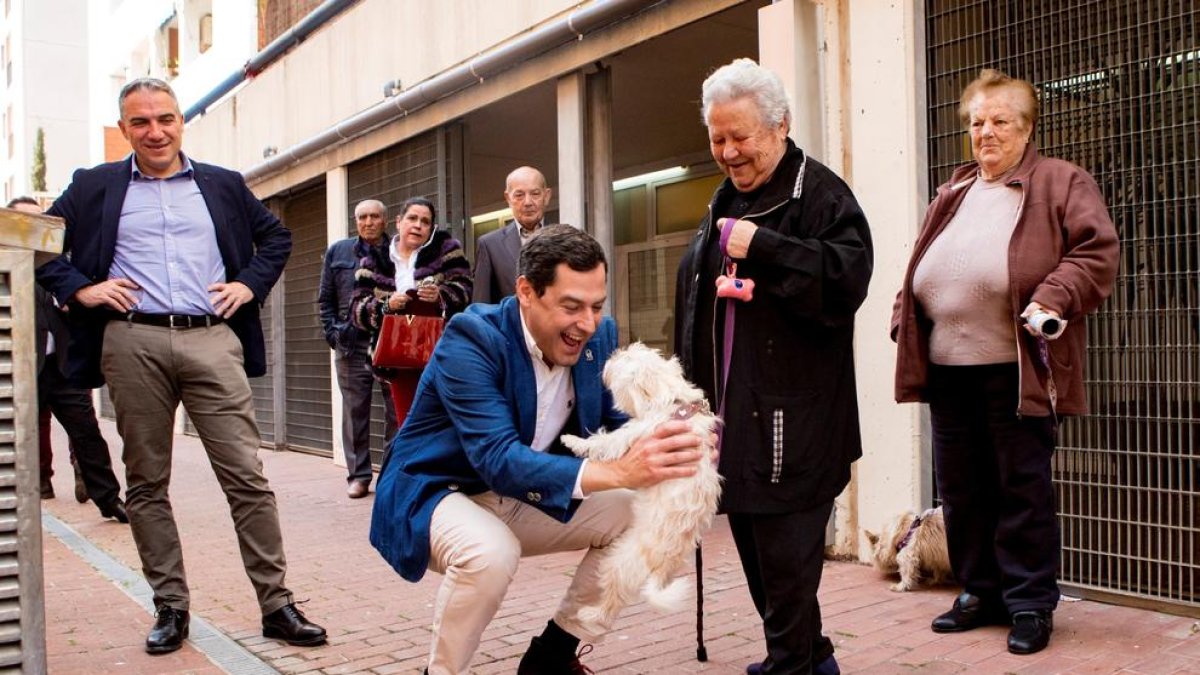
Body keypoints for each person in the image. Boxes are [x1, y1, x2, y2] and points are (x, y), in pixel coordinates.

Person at [36, 77, 326, 655]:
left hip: (211, 339)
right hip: (131, 341)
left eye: (164, 118)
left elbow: (276, 239)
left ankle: (276, 604)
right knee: (146, 482)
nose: (155, 131)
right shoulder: (93, 186)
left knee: (246, 476)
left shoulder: (221, 183)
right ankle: (171, 606)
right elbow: (42, 246)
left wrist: (247, 285)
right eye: (140, 122)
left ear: (180, 121)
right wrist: (83, 290)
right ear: (124, 131)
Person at [369, 225, 706, 674]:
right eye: (571, 307)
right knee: (491, 553)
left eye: (596, 306)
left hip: (521, 495)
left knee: (640, 516)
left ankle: (551, 659)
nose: (587, 323)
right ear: (526, 291)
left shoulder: (597, 337)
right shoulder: (471, 337)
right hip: (439, 493)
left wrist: (676, 434)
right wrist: (621, 472)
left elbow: (615, 422)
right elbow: (498, 458)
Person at [891, 69, 1119, 656]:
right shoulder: (954, 192)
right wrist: (905, 317)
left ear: (1026, 128)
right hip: (949, 369)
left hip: (1016, 367)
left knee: (1021, 487)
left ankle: (1029, 602)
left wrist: (1054, 294)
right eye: (976, 122)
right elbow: (920, 264)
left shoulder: (1059, 181)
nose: (985, 133)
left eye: (999, 122)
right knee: (962, 488)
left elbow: (1096, 252)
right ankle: (981, 590)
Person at [675, 58, 873, 675]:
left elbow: (847, 277)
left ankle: (792, 663)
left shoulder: (819, 192)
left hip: (796, 422)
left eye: (741, 136)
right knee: (764, 561)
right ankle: (811, 658)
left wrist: (763, 247)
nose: (728, 151)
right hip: (736, 421)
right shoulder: (725, 197)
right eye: (717, 138)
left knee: (787, 564)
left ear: (780, 125)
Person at [10, 196, 128, 521]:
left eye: (41, 219)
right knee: (18, 440)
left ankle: (109, 499)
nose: (37, 226)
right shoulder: (8, 267)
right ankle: (25, 500)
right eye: (28, 221)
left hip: (63, 367)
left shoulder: (64, 263)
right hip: (21, 371)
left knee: (87, 434)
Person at [349, 197, 472, 430]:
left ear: (431, 228)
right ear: (398, 222)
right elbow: (357, 310)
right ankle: (408, 465)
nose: (418, 225)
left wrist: (441, 296)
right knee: (405, 423)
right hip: (396, 357)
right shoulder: (373, 259)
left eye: (425, 222)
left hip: (440, 353)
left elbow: (466, 289)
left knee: (442, 422)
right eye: (412, 218)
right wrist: (386, 305)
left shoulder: (446, 250)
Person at [319, 199, 399, 499]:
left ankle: (389, 474)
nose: (368, 222)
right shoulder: (338, 251)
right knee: (355, 413)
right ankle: (359, 476)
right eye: (363, 217)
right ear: (356, 221)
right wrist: (333, 335)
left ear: (385, 219)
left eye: (374, 217)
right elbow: (325, 298)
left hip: (388, 342)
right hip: (351, 345)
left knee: (396, 411)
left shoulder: (396, 251)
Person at [471, 166, 552, 303]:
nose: (528, 202)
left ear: (547, 196)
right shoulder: (490, 245)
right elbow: (481, 306)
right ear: (508, 198)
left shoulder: (567, 240)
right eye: (519, 195)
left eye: (535, 194)